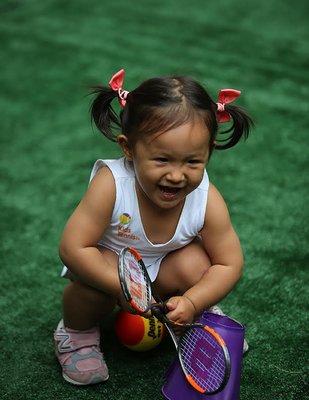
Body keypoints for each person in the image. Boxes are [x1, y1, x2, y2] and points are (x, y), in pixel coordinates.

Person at [54, 69, 253, 385]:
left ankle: (196, 317)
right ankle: (76, 334)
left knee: (199, 264)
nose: (177, 175)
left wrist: (193, 301)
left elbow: (230, 263)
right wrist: (120, 287)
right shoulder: (112, 185)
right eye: (162, 160)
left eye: (192, 162)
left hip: (164, 274)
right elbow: (72, 248)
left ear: (209, 153)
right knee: (89, 290)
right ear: (129, 149)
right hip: (111, 273)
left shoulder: (206, 198)